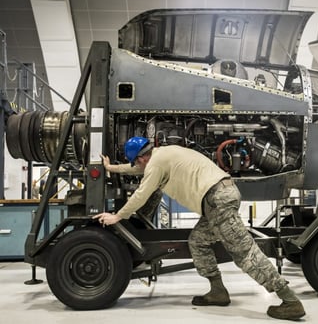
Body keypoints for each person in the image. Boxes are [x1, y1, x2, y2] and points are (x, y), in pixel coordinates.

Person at [93, 137, 306, 320]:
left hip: (217, 201)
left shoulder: (155, 164)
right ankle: (218, 291)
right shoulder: (163, 153)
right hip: (217, 199)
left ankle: (290, 300)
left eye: (137, 162)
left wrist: (118, 216)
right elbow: (138, 169)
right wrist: (112, 168)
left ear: (141, 158)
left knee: (244, 252)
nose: (138, 166)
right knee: (198, 241)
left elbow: (141, 194)